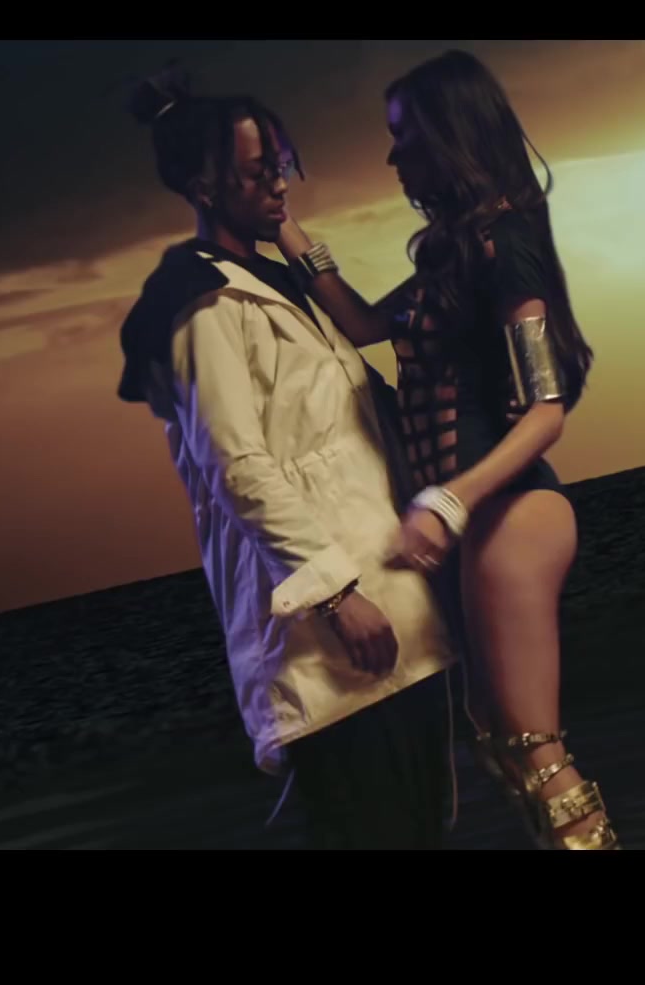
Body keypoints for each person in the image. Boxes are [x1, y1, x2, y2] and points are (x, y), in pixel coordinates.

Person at [274, 50, 617, 850]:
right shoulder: (453, 254)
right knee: (504, 743)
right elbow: (362, 324)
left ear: (451, 134)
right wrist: (284, 224)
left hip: (512, 513)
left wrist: (448, 502)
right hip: (482, 525)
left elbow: (546, 412)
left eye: (407, 136)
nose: (394, 157)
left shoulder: (508, 245)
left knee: (535, 746)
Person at [115, 68, 458, 849]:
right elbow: (236, 466)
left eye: (280, 163)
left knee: (425, 831)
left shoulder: (275, 282)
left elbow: (366, 357)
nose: (278, 182)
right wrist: (336, 597)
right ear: (204, 186)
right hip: (330, 636)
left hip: (399, 610)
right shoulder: (201, 306)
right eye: (257, 170)